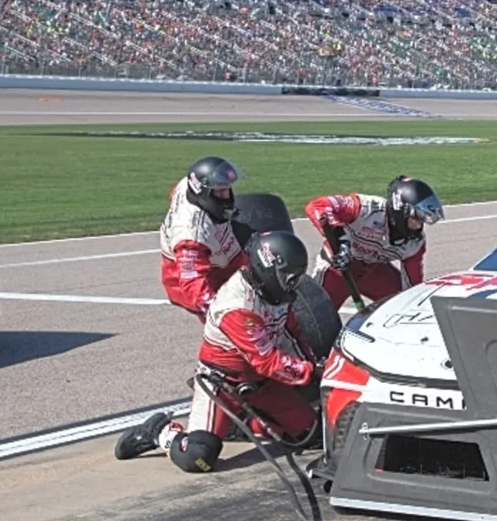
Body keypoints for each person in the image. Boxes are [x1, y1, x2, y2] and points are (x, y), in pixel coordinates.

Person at [115, 232, 321, 472]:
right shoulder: (238, 306)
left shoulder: (277, 294)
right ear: (268, 270)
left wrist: (312, 362)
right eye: (288, 276)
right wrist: (314, 372)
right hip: (224, 383)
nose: (292, 283)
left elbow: (292, 333)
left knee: (314, 436)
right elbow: (267, 361)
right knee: (198, 459)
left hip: (262, 383)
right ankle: (161, 431)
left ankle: (239, 423)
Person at [304, 176, 444, 311]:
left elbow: (413, 285)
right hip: (338, 266)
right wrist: (341, 240)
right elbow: (318, 205)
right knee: (317, 314)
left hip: (374, 270)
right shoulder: (365, 209)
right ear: (401, 210)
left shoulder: (415, 244)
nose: (419, 226)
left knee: (403, 302)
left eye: (423, 221)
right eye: (417, 219)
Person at [159, 156, 246, 319]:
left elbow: (173, 195)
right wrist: (224, 313)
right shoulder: (191, 235)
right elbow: (194, 285)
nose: (227, 196)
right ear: (202, 192)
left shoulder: (186, 184)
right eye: (220, 191)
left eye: (227, 189)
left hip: (223, 254)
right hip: (203, 279)